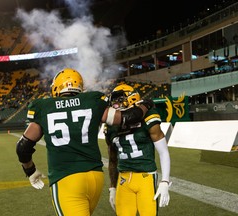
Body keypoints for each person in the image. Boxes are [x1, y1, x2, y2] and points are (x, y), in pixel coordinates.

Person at [15, 68, 154, 216]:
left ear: (56, 87)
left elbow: (23, 148)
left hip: (67, 179)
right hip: (95, 178)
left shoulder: (43, 106)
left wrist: (30, 170)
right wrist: (146, 104)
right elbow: (127, 117)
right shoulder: (93, 100)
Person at [104, 83, 171, 216]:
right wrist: (112, 187)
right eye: (114, 100)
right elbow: (112, 160)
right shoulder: (111, 126)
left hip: (145, 176)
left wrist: (165, 181)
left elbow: (163, 152)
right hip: (123, 178)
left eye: (119, 98)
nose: (116, 103)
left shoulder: (148, 116)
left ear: (131, 98)